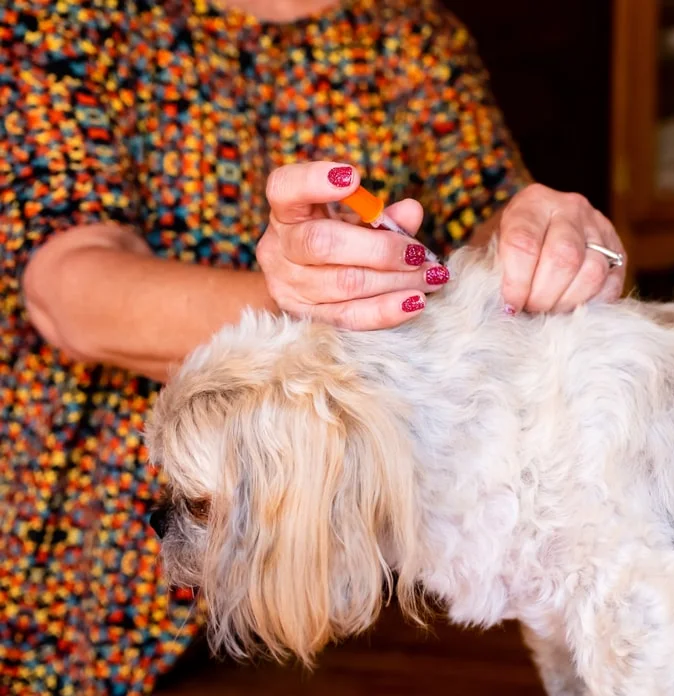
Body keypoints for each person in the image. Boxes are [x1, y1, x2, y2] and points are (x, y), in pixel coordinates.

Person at [0, 0, 626, 692]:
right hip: (90, 575)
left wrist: (541, 241)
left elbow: (487, 234)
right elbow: (65, 289)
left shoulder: (409, 32)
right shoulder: (68, 18)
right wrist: (303, 311)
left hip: (361, 583)